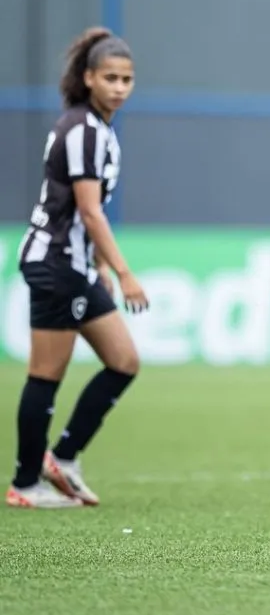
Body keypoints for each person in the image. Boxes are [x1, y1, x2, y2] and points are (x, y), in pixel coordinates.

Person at [7, 27, 149, 509]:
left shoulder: (95, 128)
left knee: (124, 361)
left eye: (126, 79)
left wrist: (98, 267)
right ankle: (26, 484)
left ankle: (62, 459)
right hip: (55, 264)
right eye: (110, 77)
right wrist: (122, 270)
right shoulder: (82, 129)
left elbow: (83, 212)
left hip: (72, 265)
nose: (119, 87)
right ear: (88, 78)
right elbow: (89, 210)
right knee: (46, 374)